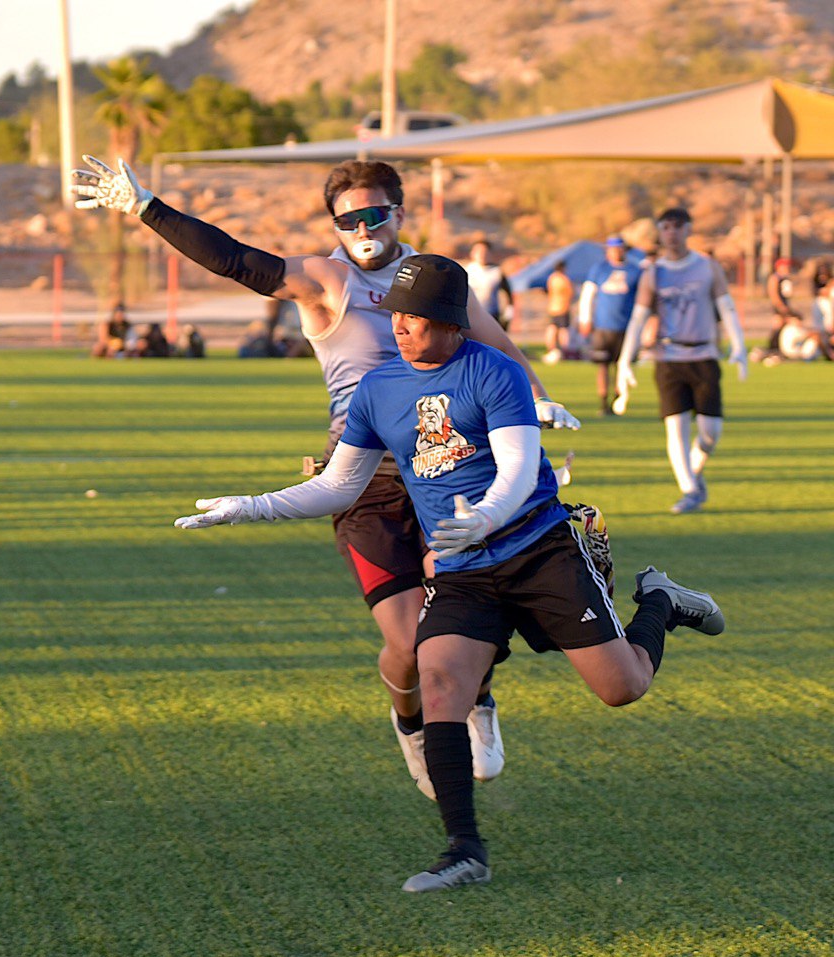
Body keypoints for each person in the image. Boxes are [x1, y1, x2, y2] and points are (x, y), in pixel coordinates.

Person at [174, 253, 725, 892]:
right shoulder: (379, 388)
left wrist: (486, 518)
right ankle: (465, 851)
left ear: (452, 321)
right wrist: (252, 507)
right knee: (438, 684)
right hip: (463, 567)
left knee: (621, 688)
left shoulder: (493, 370)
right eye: (395, 314)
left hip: (536, 548)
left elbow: (519, 470)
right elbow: (340, 485)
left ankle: (658, 599)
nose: (399, 327)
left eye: (414, 316)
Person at [72, 155, 580, 801]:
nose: (362, 226)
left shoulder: (433, 279)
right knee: (408, 640)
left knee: (457, 617)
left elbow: (501, 349)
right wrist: (149, 208)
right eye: (348, 218)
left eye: (374, 213)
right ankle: (411, 722)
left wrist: (531, 410)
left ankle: (477, 696)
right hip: (362, 475)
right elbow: (237, 260)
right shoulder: (325, 279)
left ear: (399, 211)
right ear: (334, 224)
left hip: (446, 469)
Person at [615, 207, 748, 515]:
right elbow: (638, 319)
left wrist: (739, 346)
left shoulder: (707, 267)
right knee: (675, 428)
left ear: (688, 229)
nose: (671, 232)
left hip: (703, 355)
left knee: (710, 432)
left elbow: (727, 308)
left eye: (677, 226)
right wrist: (625, 362)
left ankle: (695, 472)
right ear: (659, 232)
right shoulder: (653, 272)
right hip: (668, 357)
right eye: (665, 227)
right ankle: (689, 490)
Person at [579, 236, 643, 414]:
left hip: (626, 326)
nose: (616, 252)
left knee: (622, 365)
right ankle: (603, 400)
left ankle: (618, 397)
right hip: (603, 325)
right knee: (602, 364)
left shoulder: (635, 270)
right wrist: (585, 318)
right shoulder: (599, 269)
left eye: (619, 248)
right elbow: (588, 294)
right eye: (612, 248)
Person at [463, 239, 515, 331]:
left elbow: (508, 295)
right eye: (478, 251)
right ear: (472, 253)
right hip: (470, 315)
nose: (482, 254)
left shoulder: (497, 272)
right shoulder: (466, 271)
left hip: (491, 315)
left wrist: (508, 316)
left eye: (485, 251)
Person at [542, 260, 576, 363]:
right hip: (562, 308)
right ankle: (564, 351)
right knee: (563, 330)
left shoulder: (551, 278)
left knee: (552, 328)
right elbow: (570, 293)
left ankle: (551, 349)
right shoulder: (563, 279)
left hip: (552, 308)